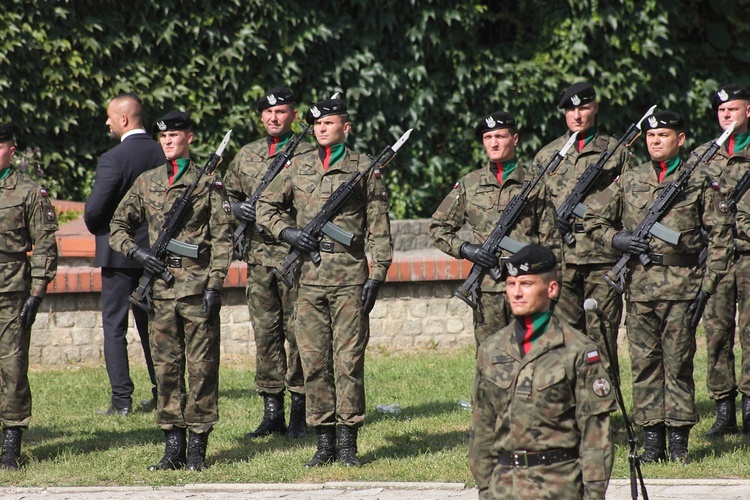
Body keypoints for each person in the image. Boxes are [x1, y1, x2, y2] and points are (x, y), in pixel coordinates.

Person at [584, 111, 733, 463]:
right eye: (651, 136)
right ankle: (652, 440)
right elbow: (592, 218)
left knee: (678, 364)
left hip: (684, 288)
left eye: (663, 135)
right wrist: (618, 239)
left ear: (680, 139)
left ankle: (679, 442)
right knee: (644, 364)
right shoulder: (629, 179)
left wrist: (707, 286)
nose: (655, 141)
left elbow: (721, 237)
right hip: (639, 288)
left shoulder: (699, 181)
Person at [255, 96, 393, 467]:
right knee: (314, 361)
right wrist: (289, 234)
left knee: (348, 361)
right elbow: (264, 207)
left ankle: (347, 443)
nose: (321, 129)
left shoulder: (364, 168)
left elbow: (379, 227)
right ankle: (324, 441)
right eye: (316, 124)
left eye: (328, 123)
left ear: (345, 128)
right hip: (308, 279)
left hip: (349, 276)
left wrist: (377, 275)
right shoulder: (297, 166)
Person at [109, 111, 233, 471]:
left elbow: (223, 240)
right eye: (163, 137)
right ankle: (171, 447)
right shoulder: (147, 182)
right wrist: (138, 253)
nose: (167, 141)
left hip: (196, 291)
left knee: (202, 369)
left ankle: (197, 449)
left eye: (174, 135)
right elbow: (117, 225)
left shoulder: (208, 181)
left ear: (189, 138)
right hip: (160, 291)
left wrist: (215, 284)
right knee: (165, 369)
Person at [468, 243, 615, 499]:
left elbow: (595, 436)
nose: (516, 293)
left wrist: (593, 494)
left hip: (558, 485)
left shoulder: (578, 350)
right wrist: (485, 488)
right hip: (504, 487)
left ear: (551, 289)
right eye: (511, 284)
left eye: (526, 284)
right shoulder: (491, 350)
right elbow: (482, 428)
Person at [224, 86, 313, 439]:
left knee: (299, 334)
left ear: (293, 115)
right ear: (261, 117)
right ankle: (272, 412)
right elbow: (223, 196)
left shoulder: (307, 153)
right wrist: (236, 209)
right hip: (259, 258)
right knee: (266, 335)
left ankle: (301, 412)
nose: (274, 118)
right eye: (268, 113)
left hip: (296, 259)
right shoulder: (246, 155)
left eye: (282, 112)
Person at [429, 111, 561, 347]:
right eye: (488, 138)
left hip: (528, 287)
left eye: (500, 136)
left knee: (533, 354)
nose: (494, 143)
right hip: (487, 290)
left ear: (515, 139)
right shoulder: (470, 184)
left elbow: (551, 242)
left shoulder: (534, 184)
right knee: (491, 359)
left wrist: (552, 288)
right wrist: (467, 249)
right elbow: (438, 228)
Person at [534, 82, 632, 361]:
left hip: (602, 257)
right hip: (561, 259)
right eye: (571, 109)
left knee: (602, 334)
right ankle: (573, 401)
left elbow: (631, 203)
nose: (577, 115)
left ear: (595, 108)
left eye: (584, 108)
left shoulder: (616, 152)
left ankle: (603, 401)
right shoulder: (547, 156)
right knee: (565, 336)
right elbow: (534, 208)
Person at [84, 93, 162, 416]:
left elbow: (93, 211)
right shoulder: (163, 151)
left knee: (115, 327)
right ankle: (164, 392)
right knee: (156, 326)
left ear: (125, 120)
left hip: (118, 256)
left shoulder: (113, 159)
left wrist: (102, 227)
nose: (107, 122)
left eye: (110, 117)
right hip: (156, 254)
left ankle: (121, 401)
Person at [0, 124, 58, 468]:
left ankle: (11, 441)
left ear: (12, 149)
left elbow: (45, 244)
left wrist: (37, 291)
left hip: (11, 290)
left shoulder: (28, 192)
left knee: (12, 366)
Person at [697, 84, 750, 436]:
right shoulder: (703, 156)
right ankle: (723, 409)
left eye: (732, 109)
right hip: (715, 258)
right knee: (716, 334)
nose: (726, 115)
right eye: (721, 111)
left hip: (748, 255)